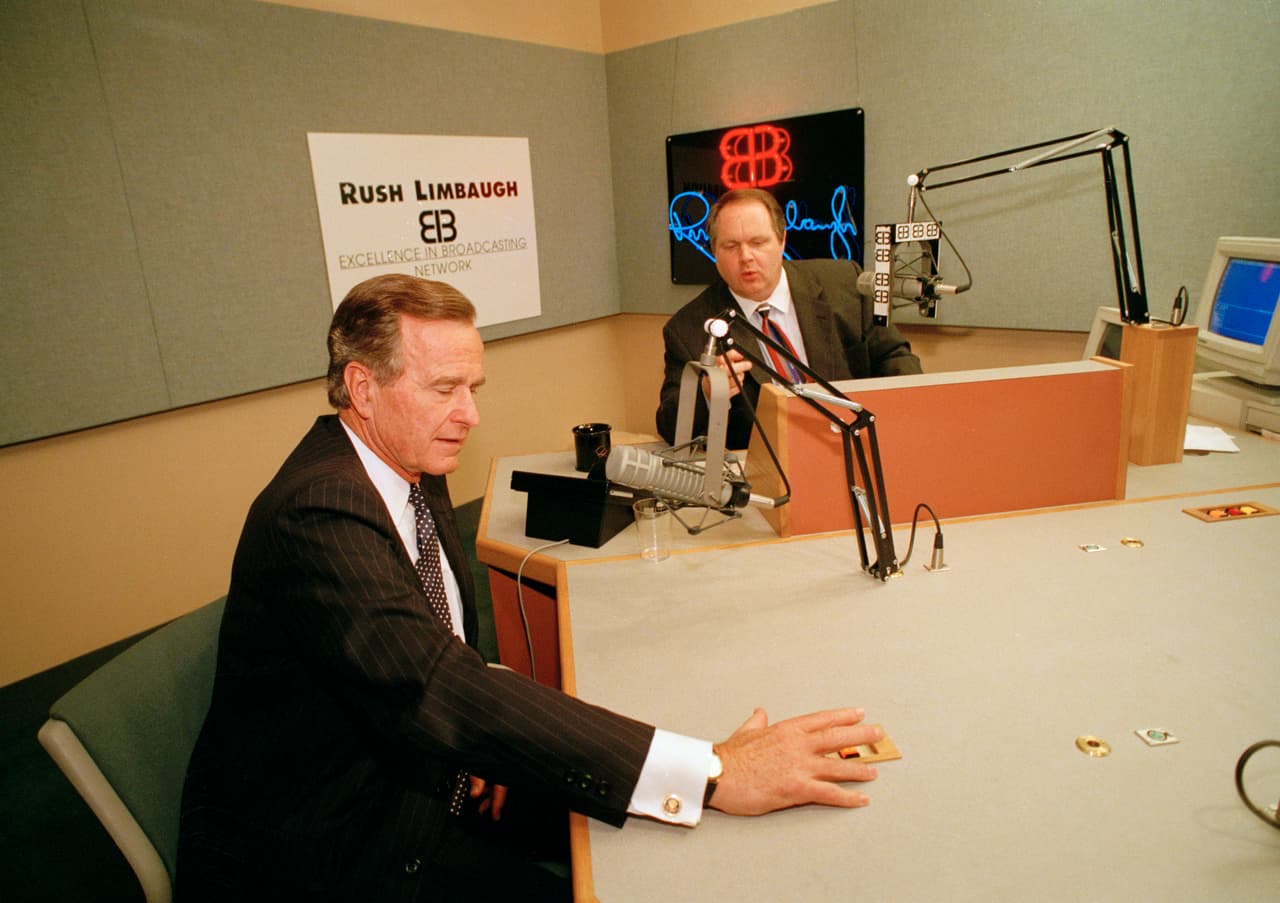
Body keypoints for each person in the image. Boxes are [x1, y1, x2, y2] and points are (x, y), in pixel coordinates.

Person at [177, 273, 884, 902]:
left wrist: (477, 746)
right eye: (444, 389)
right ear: (363, 388)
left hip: (426, 765)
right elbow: (435, 685)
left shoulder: (410, 456)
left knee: (652, 834)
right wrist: (713, 771)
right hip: (340, 840)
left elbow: (428, 650)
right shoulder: (319, 511)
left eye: (473, 388)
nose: (470, 415)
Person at [656, 188, 923, 449]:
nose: (746, 257)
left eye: (758, 243)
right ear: (714, 251)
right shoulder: (688, 328)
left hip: (856, 445)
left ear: (782, 240)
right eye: (731, 246)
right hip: (768, 466)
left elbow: (895, 358)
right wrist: (706, 391)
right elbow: (670, 427)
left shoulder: (844, 283)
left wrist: (905, 423)